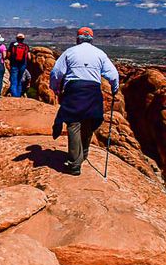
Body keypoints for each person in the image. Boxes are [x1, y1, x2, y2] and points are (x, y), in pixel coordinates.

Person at [49, 27, 119, 176]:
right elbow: (113, 75)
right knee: (89, 122)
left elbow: (56, 72)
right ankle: (84, 154)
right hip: (93, 91)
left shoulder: (70, 52)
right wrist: (114, 89)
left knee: (73, 124)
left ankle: (75, 163)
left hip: (74, 90)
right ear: (92, 39)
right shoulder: (100, 54)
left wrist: (54, 88)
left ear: (78, 38)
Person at [8, 33, 30, 97]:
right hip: (22, 64)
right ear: (23, 39)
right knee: (19, 80)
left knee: (14, 80)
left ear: (16, 38)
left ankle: (15, 95)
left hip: (14, 64)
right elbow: (29, 57)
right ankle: (18, 95)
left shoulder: (12, 45)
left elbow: (8, 55)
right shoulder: (26, 46)